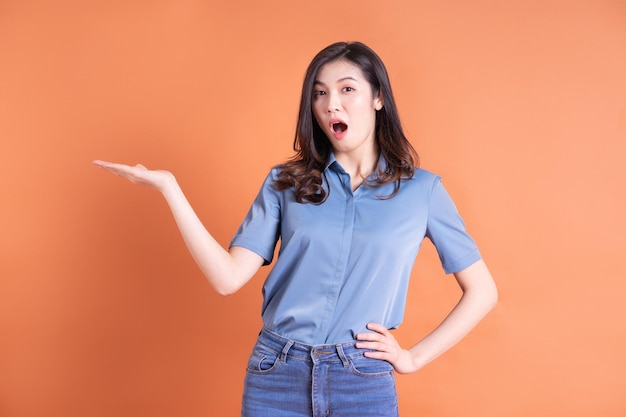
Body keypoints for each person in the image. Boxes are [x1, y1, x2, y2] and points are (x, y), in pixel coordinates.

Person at [93, 41, 498, 417]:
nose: (331, 104)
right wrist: (169, 188)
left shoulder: (422, 191)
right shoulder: (285, 182)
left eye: (346, 89)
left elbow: (483, 291)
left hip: (361, 379)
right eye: (319, 93)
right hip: (276, 372)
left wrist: (412, 358)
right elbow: (227, 278)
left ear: (378, 98)